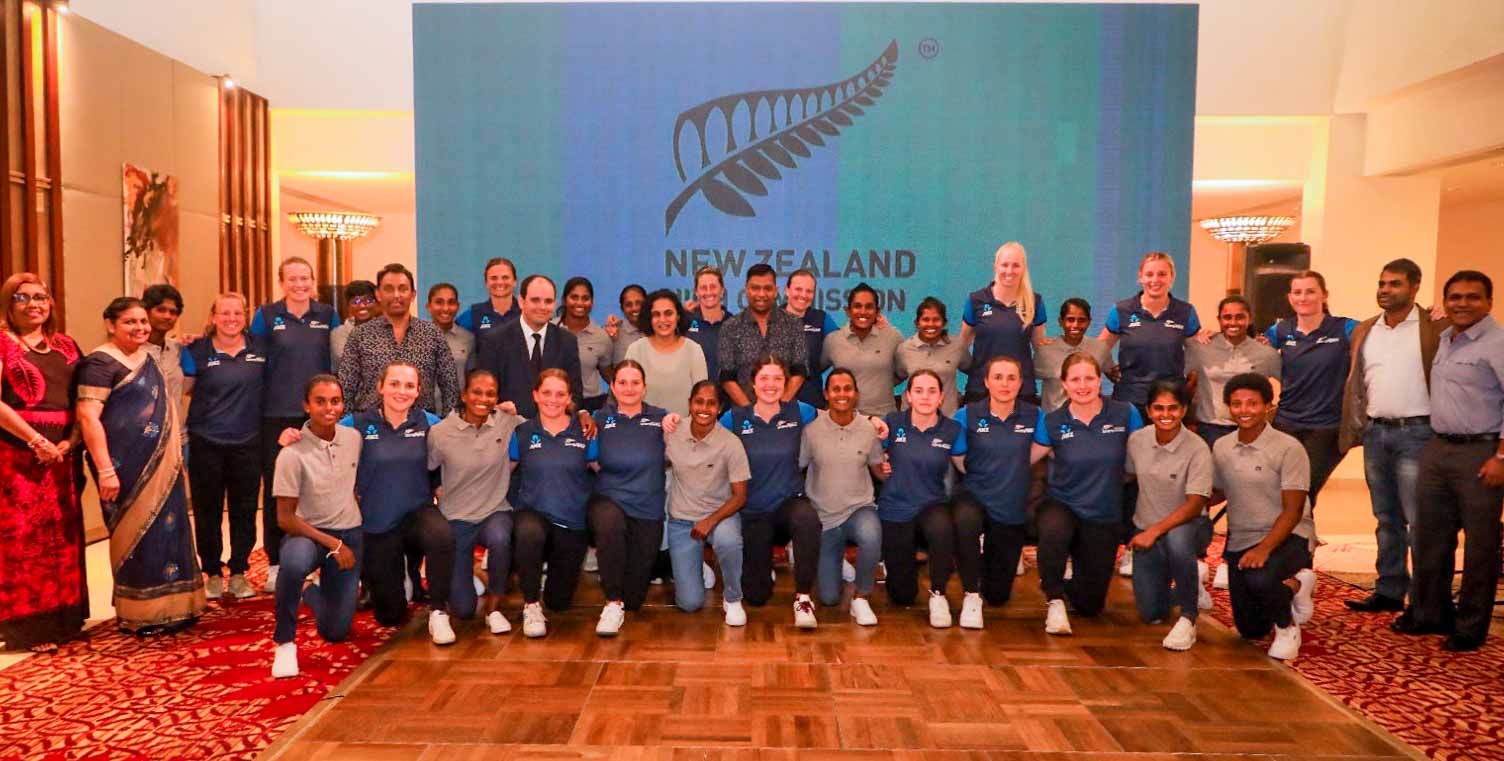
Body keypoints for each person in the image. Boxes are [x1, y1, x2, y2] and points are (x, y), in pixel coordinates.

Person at [76, 297, 207, 634]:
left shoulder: (147, 357)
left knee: (172, 529)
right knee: (137, 535)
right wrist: (105, 469)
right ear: (110, 324)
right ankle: (142, 612)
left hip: (164, 462)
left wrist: (175, 454)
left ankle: (178, 605)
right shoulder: (99, 363)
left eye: (142, 322)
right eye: (129, 322)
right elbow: (88, 417)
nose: (139, 328)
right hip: (124, 466)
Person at [1396, 271, 1504, 652]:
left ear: (1489, 301)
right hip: (1438, 448)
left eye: (1472, 297)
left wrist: (1502, 457)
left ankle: (1470, 626)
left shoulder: (1498, 342)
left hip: (1482, 451)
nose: (1462, 303)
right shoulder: (1445, 337)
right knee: (1430, 537)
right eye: (1455, 296)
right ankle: (1430, 614)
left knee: (1480, 545)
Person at [1337, 259, 1446, 614]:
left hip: (1418, 433)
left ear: (1415, 286)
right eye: (1382, 283)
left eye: (1394, 284)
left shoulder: (1434, 327)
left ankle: (1424, 600)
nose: (1385, 290)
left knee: (1420, 519)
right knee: (1386, 517)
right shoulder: (1367, 330)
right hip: (1376, 432)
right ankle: (1389, 589)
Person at [336, 362, 454, 642]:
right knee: (390, 616)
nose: (402, 391)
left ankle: (439, 612)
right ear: (380, 387)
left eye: (409, 386)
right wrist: (295, 434)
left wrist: (504, 416)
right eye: (394, 384)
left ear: (418, 391)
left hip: (417, 515)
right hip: (378, 523)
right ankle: (402, 579)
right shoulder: (358, 424)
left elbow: (466, 432)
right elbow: (321, 430)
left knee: (441, 535)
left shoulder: (429, 423)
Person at [0, 273, 86, 652]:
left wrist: (70, 441)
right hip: (16, 455)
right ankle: (27, 629)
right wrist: (35, 440)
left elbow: (82, 399)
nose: (33, 304)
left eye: (41, 297)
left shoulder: (66, 345)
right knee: (23, 542)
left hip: (63, 454)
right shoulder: (2, 343)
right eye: (23, 298)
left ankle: (64, 619)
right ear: (9, 304)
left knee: (62, 538)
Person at [1029, 352, 1142, 635]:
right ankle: (1053, 598)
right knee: (1053, 530)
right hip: (1062, 503)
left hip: (1104, 512)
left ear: (1099, 380)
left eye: (1089, 378)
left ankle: (1073, 584)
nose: (1083, 385)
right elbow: (1024, 459)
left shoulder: (1125, 413)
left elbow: (1145, 459)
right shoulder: (1052, 421)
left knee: (1089, 606)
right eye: (1075, 379)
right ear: (1064, 384)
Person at [1210, 372, 1317, 661]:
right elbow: (1217, 492)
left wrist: (1264, 548)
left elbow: (1293, 511)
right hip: (1241, 539)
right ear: (1228, 407)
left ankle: (1287, 627)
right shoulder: (1221, 447)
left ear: (1268, 406)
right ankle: (1295, 586)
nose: (1244, 410)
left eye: (1252, 403)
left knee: (1259, 578)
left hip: (1288, 535)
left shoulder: (1289, 448)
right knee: (1251, 629)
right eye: (1236, 404)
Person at [251, 257, 341, 593]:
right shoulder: (266, 315)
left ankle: (317, 560)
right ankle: (276, 563)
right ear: (281, 282)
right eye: (292, 279)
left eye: (305, 278)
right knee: (281, 491)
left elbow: (336, 361)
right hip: (275, 414)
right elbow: (250, 356)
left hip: (318, 415)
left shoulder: (327, 315)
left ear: (313, 281)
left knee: (317, 490)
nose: (299, 284)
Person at [269, 375, 362, 679]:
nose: (328, 408)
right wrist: (332, 544)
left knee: (335, 631)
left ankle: (309, 591)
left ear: (343, 405)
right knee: (293, 565)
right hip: (307, 534)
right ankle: (284, 643)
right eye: (320, 401)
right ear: (305, 406)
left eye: (335, 401)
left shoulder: (353, 438)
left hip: (348, 532)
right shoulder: (291, 453)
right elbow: (285, 519)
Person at [721, 355, 824, 626]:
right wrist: (672, 423)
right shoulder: (735, 417)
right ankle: (763, 566)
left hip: (787, 505)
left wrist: (873, 421)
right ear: (752, 384)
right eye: (764, 378)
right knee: (756, 596)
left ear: (787, 383)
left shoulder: (799, 411)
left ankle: (803, 598)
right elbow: (703, 432)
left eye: (778, 378)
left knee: (807, 518)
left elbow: (837, 416)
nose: (771, 384)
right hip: (752, 512)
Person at [182, 293, 266, 600]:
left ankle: (240, 571)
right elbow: (183, 388)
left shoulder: (260, 348)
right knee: (208, 511)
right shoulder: (196, 350)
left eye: (238, 313)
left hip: (248, 442)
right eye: (224, 313)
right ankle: (213, 573)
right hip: (207, 442)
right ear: (213, 317)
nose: (232, 319)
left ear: (246, 316)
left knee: (244, 510)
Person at [427, 369, 523, 636]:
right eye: (477, 392)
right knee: (464, 609)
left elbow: (547, 424)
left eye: (490, 393)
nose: (483, 399)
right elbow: (427, 468)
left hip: (495, 510)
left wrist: (583, 415)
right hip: (456, 517)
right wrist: (436, 488)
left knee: (501, 537)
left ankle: (494, 608)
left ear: (497, 397)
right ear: (464, 395)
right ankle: (475, 579)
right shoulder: (440, 432)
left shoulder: (507, 421)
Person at [876, 370, 971, 628]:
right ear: (907, 396)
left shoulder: (952, 429)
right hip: (895, 509)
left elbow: (965, 466)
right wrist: (880, 461)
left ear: (941, 397)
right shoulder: (892, 423)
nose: (925, 397)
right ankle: (896, 566)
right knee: (902, 596)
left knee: (943, 527)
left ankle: (938, 594)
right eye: (918, 391)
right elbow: (867, 450)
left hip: (931, 505)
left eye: (932, 391)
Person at [1125, 378, 1213, 651]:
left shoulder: (1198, 447)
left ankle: (1189, 617)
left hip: (1189, 526)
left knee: (1177, 541)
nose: (1166, 415)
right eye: (1159, 408)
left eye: (1173, 408)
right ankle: (1189, 583)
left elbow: (1195, 504)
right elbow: (1127, 477)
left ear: (1184, 410)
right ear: (1149, 411)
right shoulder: (1137, 440)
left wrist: (1153, 532)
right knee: (1152, 613)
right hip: (1147, 529)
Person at [509, 370, 599, 637]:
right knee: (527, 532)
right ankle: (531, 604)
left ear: (570, 398)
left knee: (559, 604)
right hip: (532, 515)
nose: (553, 400)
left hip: (571, 523)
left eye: (560, 394)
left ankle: (548, 581)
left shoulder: (584, 430)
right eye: (546, 393)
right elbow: (501, 472)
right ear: (535, 395)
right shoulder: (523, 432)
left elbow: (605, 470)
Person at [951, 356, 1039, 621]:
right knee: (965, 520)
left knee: (998, 597)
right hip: (974, 495)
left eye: (1011, 378)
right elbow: (958, 457)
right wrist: (986, 471)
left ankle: (988, 582)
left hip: (1010, 504)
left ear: (1020, 383)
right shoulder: (966, 415)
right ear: (986, 382)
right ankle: (970, 594)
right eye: (998, 377)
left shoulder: (1036, 416)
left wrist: (1010, 468)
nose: (1005, 384)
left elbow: (1041, 449)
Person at [588, 361, 671, 634]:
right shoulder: (599, 418)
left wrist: (677, 426)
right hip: (609, 500)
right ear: (612, 387)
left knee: (634, 599)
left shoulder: (662, 418)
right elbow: (585, 455)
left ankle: (624, 598)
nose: (629, 388)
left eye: (635, 383)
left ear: (645, 387)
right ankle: (612, 603)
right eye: (622, 382)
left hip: (647, 507)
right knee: (609, 523)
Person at [1265, 270, 1357, 508]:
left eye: (1310, 291)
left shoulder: (1345, 328)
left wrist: (1429, 316)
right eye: (1297, 292)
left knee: (1303, 492)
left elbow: (1386, 329)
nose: (1303, 298)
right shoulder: (1281, 331)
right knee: (1280, 492)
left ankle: (1300, 543)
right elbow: (1250, 350)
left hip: (1327, 428)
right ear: (1289, 297)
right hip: (1286, 423)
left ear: (1324, 295)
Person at [802, 369, 884, 628]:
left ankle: (861, 596)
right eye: (835, 389)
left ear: (856, 394)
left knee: (871, 533)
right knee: (828, 598)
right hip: (824, 518)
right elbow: (798, 466)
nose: (842, 394)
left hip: (859, 508)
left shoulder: (868, 430)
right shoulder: (811, 431)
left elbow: (879, 469)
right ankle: (837, 564)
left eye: (847, 388)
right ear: (826, 394)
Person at [665, 380, 750, 622]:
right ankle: (697, 567)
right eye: (699, 402)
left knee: (728, 541)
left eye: (711, 403)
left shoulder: (731, 443)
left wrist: (709, 521)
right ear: (690, 404)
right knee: (689, 604)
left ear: (720, 408)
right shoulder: (672, 433)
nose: (704, 408)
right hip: (682, 520)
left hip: (721, 515)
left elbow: (740, 496)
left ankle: (733, 598)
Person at [338, 264, 460, 415]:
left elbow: (450, 386)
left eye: (403, 289)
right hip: (371, 428)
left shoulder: (432, 334)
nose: (396, 295)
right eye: (389, 289)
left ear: (413, 294)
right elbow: (346, 387)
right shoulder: (360, 335)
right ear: (378, 294)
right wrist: (346, 430)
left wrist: (447, 425)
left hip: (421, 427)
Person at [1099, 252, 1202, 415]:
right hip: (1130, 399)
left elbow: (1197, 353)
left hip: (1170, 402)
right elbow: (1100, 348)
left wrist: (1191, 382)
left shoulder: (1185, 312)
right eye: (1149, 274)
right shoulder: (1121, 310)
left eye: (1162, 274)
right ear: (1140, 277)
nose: (1155, 280)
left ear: (1171, 277)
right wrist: (1109, 368)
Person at [476, 274, 584, 418]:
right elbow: (484, 395)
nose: (542, 307)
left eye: (548, 301)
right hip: (508, 430)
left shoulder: (567, 341)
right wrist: (498, 408)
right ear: (521, 301)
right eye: (535, 300)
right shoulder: (494, 341)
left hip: (553, 432)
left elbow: (575, 394)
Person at [1186, 295, 1281, 447]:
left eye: (1240, 317)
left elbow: (1291, 386)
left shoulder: (1266, 354)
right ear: (1219, 320)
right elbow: (1176, 374)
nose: (1233, 322)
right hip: (1210, 429)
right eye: (1227, 317)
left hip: (1252, 430)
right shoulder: (1200, 348)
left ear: (1249, 319)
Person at [960, 242, 1048, 404]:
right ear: (995, 266)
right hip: (980, 389)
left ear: (1024, 268)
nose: (1009, 271)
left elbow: (1040, 348)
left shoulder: (1035, 302)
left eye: (1016, 266)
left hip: (1022, 391)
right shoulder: (976, 300)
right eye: (1004, 265)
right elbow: (961, 346)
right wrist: (976, 370)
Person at [718, 264, 808, 406]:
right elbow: (727, 377)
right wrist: (749, 412)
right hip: (744, 418)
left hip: (784, 416)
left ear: (776, 291)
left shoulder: (793, 324)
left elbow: (800, 371)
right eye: (755, 288)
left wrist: (781, 408)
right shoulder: (730, 327)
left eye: (767, 288)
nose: (761, 294)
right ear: (746, 290)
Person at [623, 289, 708, 418]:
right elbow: (626, 397)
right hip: (643, 432)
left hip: (683, 432)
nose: (662, 320)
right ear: (649, 318)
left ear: (678, 316)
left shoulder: (693, 350)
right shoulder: (635, 350)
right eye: (656, 314)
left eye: (668, 313)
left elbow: (702, 399)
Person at [823, 282, 903, 416]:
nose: (863, 312)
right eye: (857, 306)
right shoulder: (833, 340)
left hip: (885, 420)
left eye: (869, 307)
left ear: (877, 311)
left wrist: (883, 382)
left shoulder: (893, 337)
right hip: (846, 420)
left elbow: (905, 371)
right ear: (848, 311)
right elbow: (814, 373)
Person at [1034, 298, 1111, 412]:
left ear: (1089, 322)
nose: (1075, 325)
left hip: (1092, 418)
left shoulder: (1100, 348)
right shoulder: (1045, 351)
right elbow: (1028, 379)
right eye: (1070, 319)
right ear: (1061, 321)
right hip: (1054, 420)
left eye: (1082, 320)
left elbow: (1113, 373)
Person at [896, 297, 968, 416]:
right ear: (917, 323)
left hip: (948, 418)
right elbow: (898, 376)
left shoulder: (957, 346)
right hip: (911, 421)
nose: (931, 324)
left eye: (936, 320)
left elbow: (972, 370)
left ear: (944, 323)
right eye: (925, 319)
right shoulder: (904, 349)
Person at [556, 277, 614, 412]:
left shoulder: (601, 336)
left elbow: (608, 373)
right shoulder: (550, 330)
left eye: (585, 298)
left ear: (592, 302)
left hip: (592, 404)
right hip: (555, 403)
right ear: (564, 300)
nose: (580, 303)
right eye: (574, 297)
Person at [784, 269, 838, 409]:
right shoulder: (771, 319)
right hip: (777, 405)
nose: (803, 295)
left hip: (812, 403)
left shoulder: (821, 319)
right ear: (787, 290)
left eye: (809, 291)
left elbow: (844, 343)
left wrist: (876, 323)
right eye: (798, 289)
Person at [141, 284, 188, 434]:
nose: (167, 316)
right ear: (146, 312)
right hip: (141, 439)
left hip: (178, 437)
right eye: (161, 310)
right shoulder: (132, 351)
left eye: (173, 312)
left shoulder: (178, 350)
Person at [426, 282, 475, 413]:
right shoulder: (417, 338)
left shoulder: (469, 339)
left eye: (451, 302)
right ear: (428, 306)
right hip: (424, 415)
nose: (446, 308)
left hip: (458, 415)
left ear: (458, 306)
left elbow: (472, 379)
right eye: (439, 302)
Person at [686, 265, 733, 394]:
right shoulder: (684, 323)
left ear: (722, 290)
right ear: (696, 292)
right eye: (703, 288)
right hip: (692, 400)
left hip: (727, 402)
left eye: (713, 287)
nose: (708, 292)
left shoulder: (734, 324)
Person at [456, 256, 520, 334]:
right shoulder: (474, 313)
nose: (499, 282)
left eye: (505, 277)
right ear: (486, 282)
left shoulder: (526, 312)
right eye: (494, 278)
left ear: (515, 281)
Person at [329, 280, 377, 373]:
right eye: (356, 301)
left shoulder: (386, 330)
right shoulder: (338, 333)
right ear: (348, 306)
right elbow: (346, 362)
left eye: (368, 300)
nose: (362, 305)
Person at [606, 284, 647, 367]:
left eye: (639, 303)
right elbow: (604, 366)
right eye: (628, 305)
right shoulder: (613, 333)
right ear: (622, 308)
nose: (634, 308)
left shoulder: (657, 330)